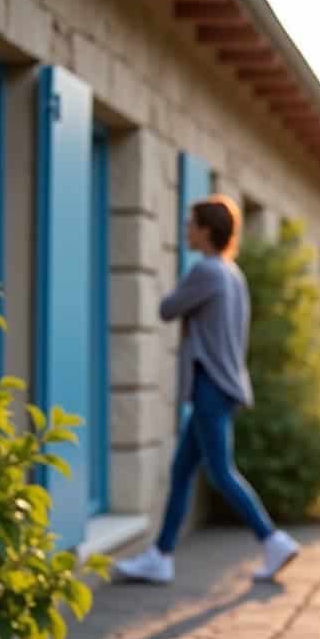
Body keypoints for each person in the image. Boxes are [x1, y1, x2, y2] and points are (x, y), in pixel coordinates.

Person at [116, 195, 299, 584]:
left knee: (219, 471)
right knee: (182, 471)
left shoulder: (206, 272)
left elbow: (167, 309)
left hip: (209, 386)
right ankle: (160, 555)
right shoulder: (233, 274)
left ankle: (272, 538)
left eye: (190, 223)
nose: (186, 229)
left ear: (206, 230)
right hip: (224, 383)